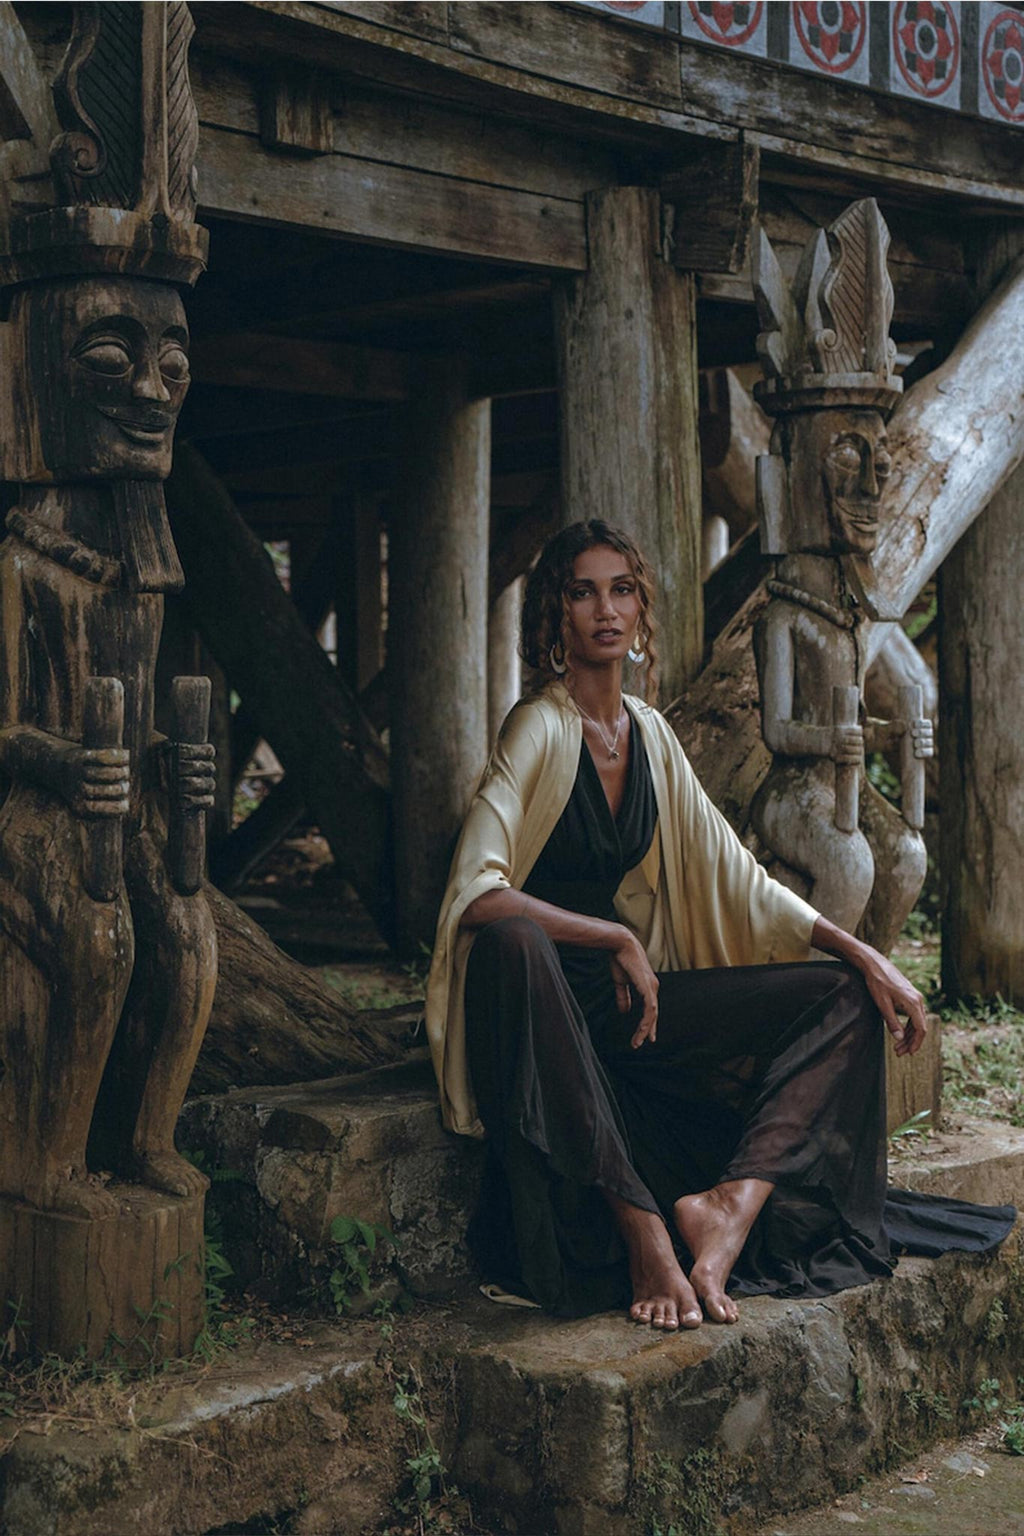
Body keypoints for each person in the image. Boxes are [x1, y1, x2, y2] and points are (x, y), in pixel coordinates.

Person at [425, 521, 1013, 1331]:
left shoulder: (651, 735)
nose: (606, 609)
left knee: (838, 996)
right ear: (554, 616)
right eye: (583, 590)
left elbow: (741, 881)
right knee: (514, 939)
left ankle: (730, 1207)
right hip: (539, 1010)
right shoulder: (539, 726)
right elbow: (476, 893)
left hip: (628, 1010)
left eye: (622, 589)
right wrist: (613, 937)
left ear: (641, 613)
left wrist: (868, 956)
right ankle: (643, 1233)